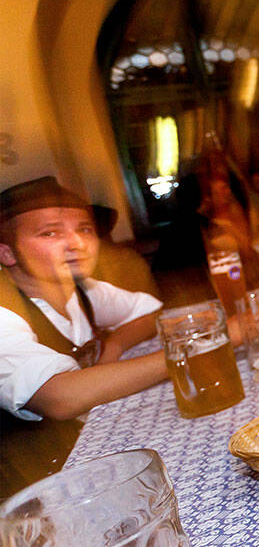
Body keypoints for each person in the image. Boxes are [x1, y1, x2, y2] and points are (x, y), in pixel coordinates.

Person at [0, 178, 169, 497]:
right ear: (7, 253)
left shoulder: (83, 290)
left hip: (90, 459)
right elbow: (61, 397)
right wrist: (183, 355)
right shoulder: (3, 310)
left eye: (85, 229)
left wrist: (114, 344)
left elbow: (150, 313)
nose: (75, 242)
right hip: (32, 495)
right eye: (49, 233)